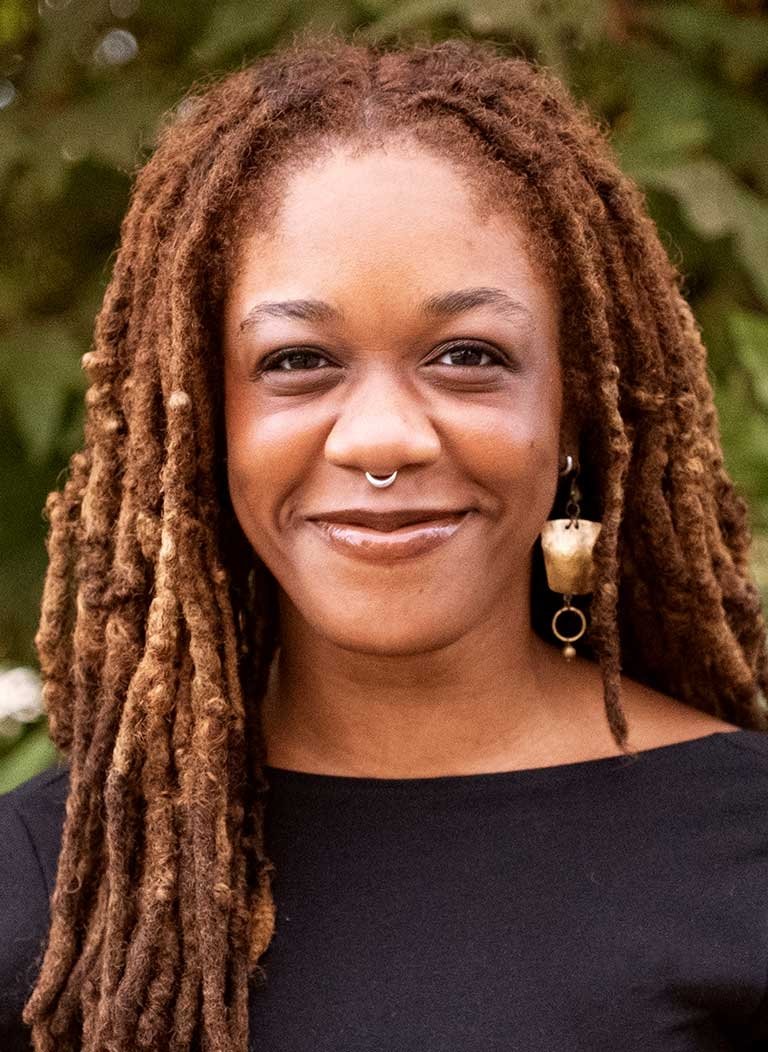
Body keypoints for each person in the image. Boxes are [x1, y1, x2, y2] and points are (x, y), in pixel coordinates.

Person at [1, 29, 767, 1052]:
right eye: (298, 358)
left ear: (577, 404)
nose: (382, 438)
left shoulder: (743, 850)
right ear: (197, 417)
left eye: (467, 354)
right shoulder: (50, 888)